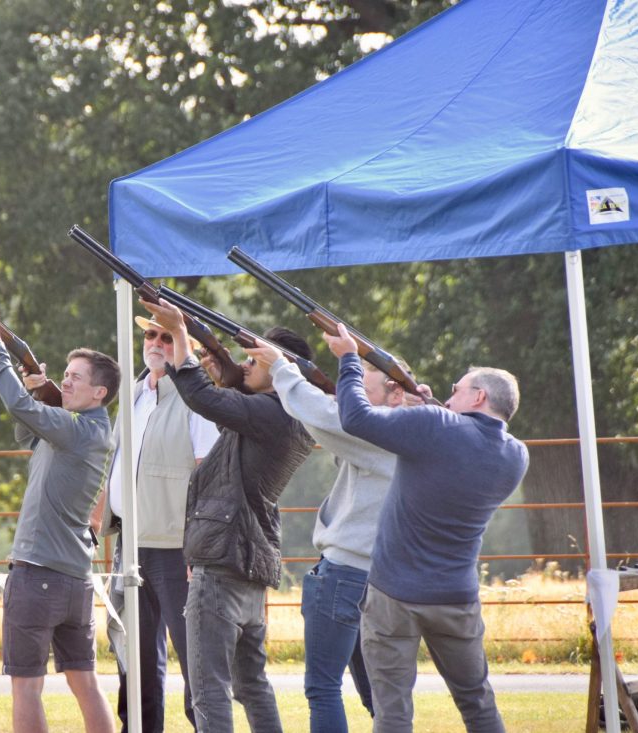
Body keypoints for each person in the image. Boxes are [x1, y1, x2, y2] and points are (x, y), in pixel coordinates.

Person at [324, 323, 529, 733]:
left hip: (393, 595)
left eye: (457, 389)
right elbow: (455, 439)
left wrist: (348, 360)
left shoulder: (436, 425)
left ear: (479, 396)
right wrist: (427, 409)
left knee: (393, 712)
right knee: (477, 703)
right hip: (456, 598)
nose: (449, 395)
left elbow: (355, 418)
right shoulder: (516, 455)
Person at [142, 299, 314, 733]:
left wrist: (180, 334)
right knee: (251, 684)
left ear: (280, 368)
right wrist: (229, 377)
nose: (244, 364)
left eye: (253, 359)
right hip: (248, 561)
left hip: (220, 564)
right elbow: (226, 410)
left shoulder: (269, 413)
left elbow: (199, 397)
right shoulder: (288, 415)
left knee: (208, 689)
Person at [244, 339, 413, 733]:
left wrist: (282, 369)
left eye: (364, 394)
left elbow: (324, 416)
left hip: (345, 573)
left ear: (396, 392)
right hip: (384, 580)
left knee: (323, 688)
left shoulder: (380, 430)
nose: (355, 405)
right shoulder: (417, 431)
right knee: (379, 693)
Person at [0, 310, 120, 733]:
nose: (67, 381)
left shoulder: (76, 429)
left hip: (38, 574)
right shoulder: (88, 429)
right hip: (74, 578)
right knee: (84, 682)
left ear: (99, 392)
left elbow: (15, 405)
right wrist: (40, 393)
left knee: (26, 688)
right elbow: (26, 429)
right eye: (66, 375)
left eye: (76, 377)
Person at [94, 316, 220, 733]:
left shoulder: (198, 398)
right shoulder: (133, 393)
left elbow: (210, 477)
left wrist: (198, 547)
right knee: (135, 657)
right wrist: (98, 521)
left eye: (168, 336)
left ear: (185, 345)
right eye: (151, 334)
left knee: (194, 659)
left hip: (178, 546)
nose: (156, 343)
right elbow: (114, 465)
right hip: (132, 541)